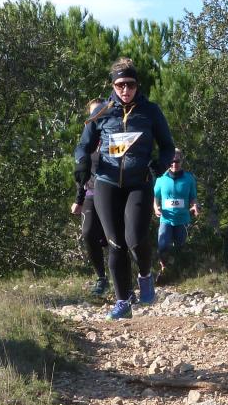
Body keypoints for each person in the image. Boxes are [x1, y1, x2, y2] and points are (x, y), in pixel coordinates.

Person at [75, 59, 175, 319]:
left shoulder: (150, 111)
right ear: (113, 86)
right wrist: (82, 162)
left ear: (136, 85)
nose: (125, 90)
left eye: (130, 84)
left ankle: (145, 274)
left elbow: (167, 147)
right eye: (120, 85)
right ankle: (122, 302)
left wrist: (157, 167)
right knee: (115, 243)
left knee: (134, 237)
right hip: (106, 182)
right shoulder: (101, 112)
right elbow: (83, 146)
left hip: (138, 183)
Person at [71, 99, 109, 296]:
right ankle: (101, 278)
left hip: (113, 192)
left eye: (101, 112)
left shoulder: (113, 135)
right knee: (88, 232)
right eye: (93, 113)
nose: (97, 116)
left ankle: (127, 278)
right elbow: (81, 173)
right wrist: (78, 199)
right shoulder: (85, 144)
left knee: (115, 237)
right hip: (91, 193)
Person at [152, 148, 199, 278]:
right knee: (163, 245)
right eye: (171, 161)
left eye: (177, 161)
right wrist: (156, 208)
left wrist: (195, 206)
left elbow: (193, 197)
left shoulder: (189, 178)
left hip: (182, 219)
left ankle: (180, 272)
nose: (174, 164)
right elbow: (155, 197)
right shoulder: (161, 178)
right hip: (166, 218)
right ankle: (164, 270)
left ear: (181, 161)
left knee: (180, 247)